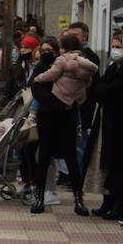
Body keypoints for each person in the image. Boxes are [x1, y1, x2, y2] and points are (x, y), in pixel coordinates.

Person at [30, 32, 97, 215]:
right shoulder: (43, 66)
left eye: (51, 50)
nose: (47, 53)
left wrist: (71, 103)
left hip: (68, 117)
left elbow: (87, 85)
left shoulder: (71, 65)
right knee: (44, 158)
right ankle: (39, 197)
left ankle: (78, 198)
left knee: (71, 157)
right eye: (44, 50)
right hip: (49, 116)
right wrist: (59, 104)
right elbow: (36, 88)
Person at [94, 37, 123, 221]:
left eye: (119, 46)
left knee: (118, 167)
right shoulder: (113, 66)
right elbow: (98, 87)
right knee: (107, 165)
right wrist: (103, 91)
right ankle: (108, 202)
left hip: (120, 123)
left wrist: (103, 90)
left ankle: (119, 205)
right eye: (113, 46)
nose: (115, 50)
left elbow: (112, 89)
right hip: (108, 120)